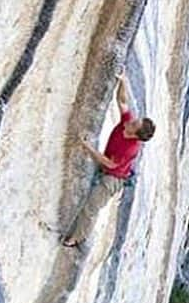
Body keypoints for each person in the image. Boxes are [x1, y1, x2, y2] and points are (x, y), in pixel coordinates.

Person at [61, 71, 155, 247]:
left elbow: (110, 163)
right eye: (136, 120)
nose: (132, 120)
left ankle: (77, 238)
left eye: (135, 124)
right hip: (110, 166)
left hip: (114, 178)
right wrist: (123, 81)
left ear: (136, 134)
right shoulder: (127, 123)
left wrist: (88, 147)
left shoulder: (131, 147)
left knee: (91, 207)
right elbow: (122, 102)